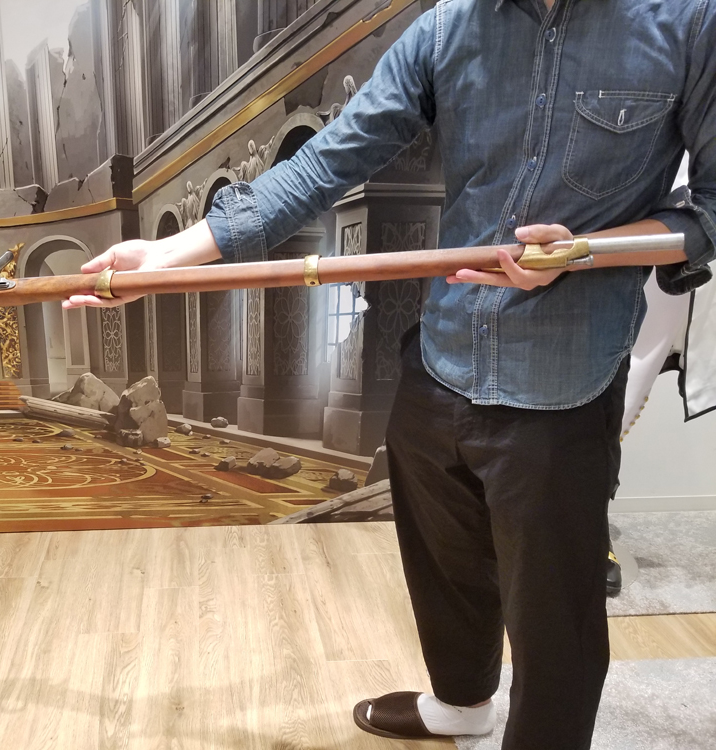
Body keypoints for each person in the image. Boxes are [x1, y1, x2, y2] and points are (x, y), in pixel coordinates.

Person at [66, 0, 715, 747]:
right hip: (442, 357)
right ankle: (463, 705)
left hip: (563, 380)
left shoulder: (687, 23)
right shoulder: (447, 29)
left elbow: (709, 211)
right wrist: (168, 256)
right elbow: (325, 161)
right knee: (446, 566)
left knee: (554, 618)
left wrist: (586, 252)